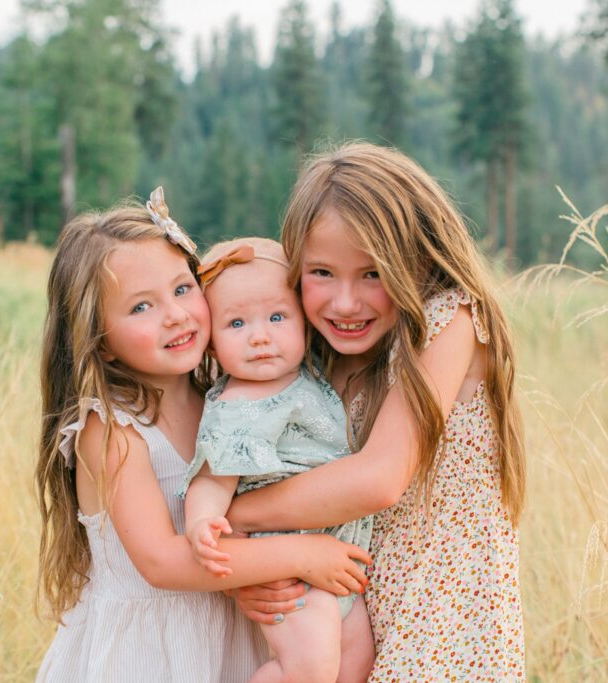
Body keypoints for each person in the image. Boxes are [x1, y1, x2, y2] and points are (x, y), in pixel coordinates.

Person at [34, 189, 371, 683]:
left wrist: (242, 582)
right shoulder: (111, 430)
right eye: (141, 307)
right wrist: (302, 555)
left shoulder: (223, 400)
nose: (175, 314)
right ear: (100, 344)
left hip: (223, 638)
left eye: (181, 289)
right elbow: (164, 561)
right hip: (149, 651)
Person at [225, 144, 527, 681]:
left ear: (418, 258)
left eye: (372, 273)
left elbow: (380, 479)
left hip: (443, 622)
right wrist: (260, 568)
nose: (345, 303)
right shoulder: (317, 356)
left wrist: (236, 520)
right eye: (322, 272)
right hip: (350, 618)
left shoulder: (449, 318)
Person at [178, 237, 374, 683]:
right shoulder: (239, 404)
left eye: (278, 317)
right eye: (237, 323)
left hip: (336, 560)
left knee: (357, 665)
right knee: (309, 672)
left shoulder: (306, 373)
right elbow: (212, 475)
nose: (260, 336)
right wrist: (202, 522)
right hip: (289, 566)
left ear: (304, 321)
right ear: (210, 343)